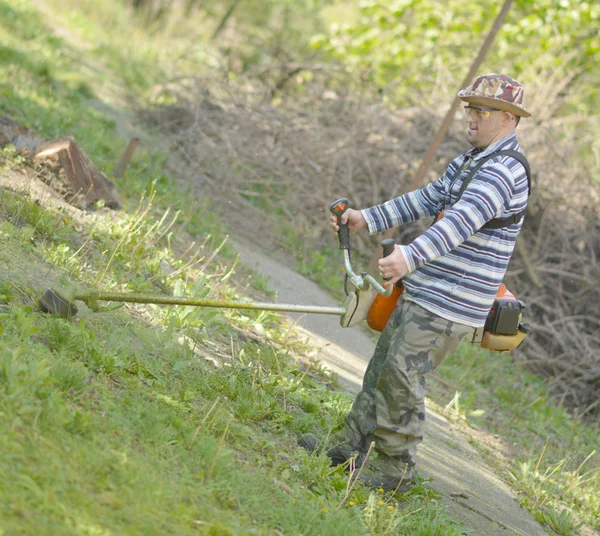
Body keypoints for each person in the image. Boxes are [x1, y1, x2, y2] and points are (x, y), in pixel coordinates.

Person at [299, 73, 532, 493]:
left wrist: (409, 255)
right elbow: (426, 199)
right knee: (383, 371)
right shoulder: (470, 160)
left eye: (481, 111)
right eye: (469, 109)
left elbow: (462, 223)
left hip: (451, 302)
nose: (471, 118)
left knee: (402, 379)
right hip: (428, 290)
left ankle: (394, 472)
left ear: (509, 118)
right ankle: (350, 451)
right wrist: (367, 217)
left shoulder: (503, 171)